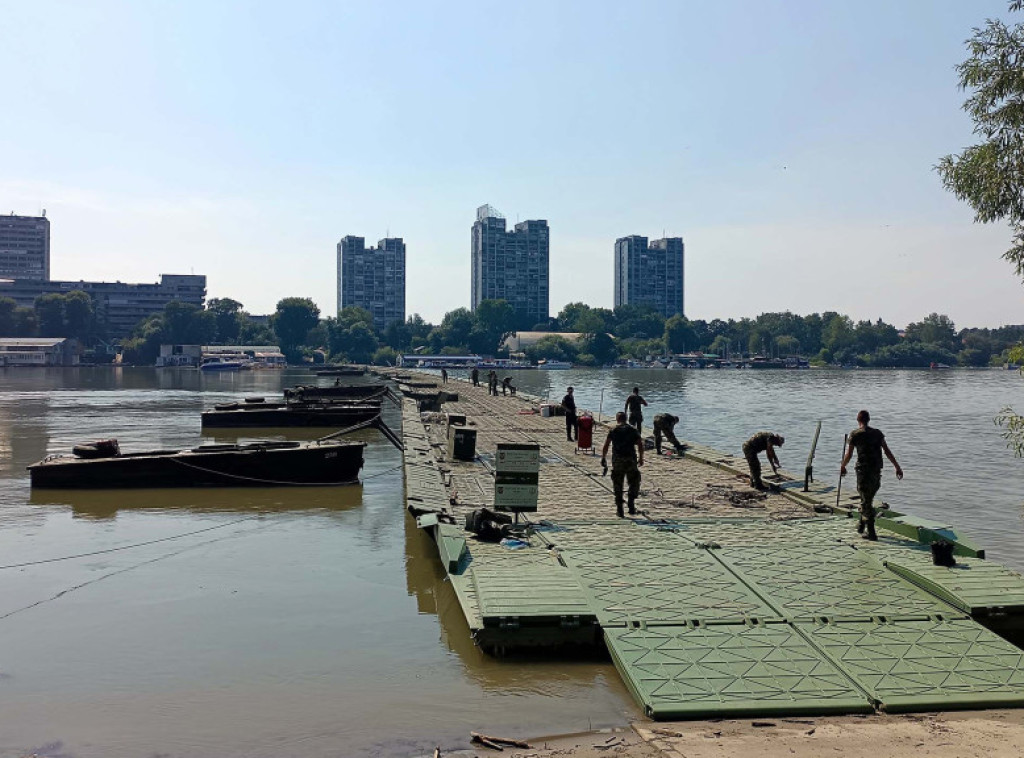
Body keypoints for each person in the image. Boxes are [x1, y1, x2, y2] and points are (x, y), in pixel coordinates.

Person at [841, 409, 903, 541]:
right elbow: (887, 451)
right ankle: (862, 524)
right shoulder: (877, 434)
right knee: (867, 498)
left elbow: (849, 454)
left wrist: (843, 466)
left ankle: (871, 531)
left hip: (863, 471)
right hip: (876, 470)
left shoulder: (855, 434)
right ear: (868, 420)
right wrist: (897, 467)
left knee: (866, 499)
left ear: (858, 420)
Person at [601, 411, 644, 518]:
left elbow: (606, 445)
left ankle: (620, 509)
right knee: (634, 481)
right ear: (626, 418)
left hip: (618, 460)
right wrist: (641, 458)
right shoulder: (633, 430)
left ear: (617, 419)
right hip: (631, 460)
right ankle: (631, 504)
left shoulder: (613, 430)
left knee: (618, 484)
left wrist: (603, 458)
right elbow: (640, 445)